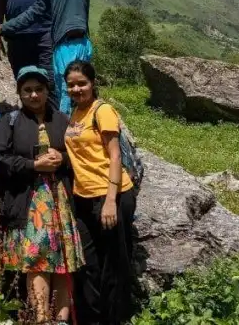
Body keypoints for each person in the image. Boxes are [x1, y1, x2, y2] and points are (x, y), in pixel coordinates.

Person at [0, 66, 82, 324]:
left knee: (63, 261)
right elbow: (0, 158)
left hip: (60, 200)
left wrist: (62, 158)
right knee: (36, 260)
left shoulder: (62, 120)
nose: (34, 95)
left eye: (39, 89)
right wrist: (33, 165)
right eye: (27, 90)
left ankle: (62, 320)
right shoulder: (9, 122)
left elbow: (79, 155)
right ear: (20, 93)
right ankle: (42, 319)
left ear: (47, 91)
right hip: (28, 202)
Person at [64, 60, 137, 325]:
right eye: (71, 84)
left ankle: (115, 319)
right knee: (89, 264)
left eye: (81, 83)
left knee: (114, 266)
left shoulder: (102, 110)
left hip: (111, 196)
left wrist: (109, 201)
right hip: (83, 198)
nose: (76, 89)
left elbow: (115, 156)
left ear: (92, 83)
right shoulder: (75, 113)